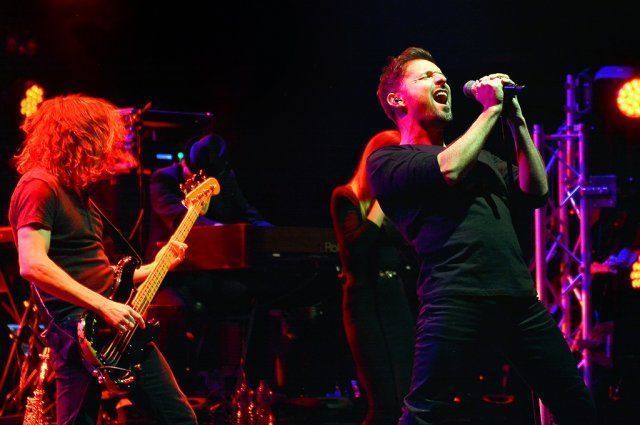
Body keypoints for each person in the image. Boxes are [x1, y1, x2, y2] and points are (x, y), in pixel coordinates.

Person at [366, 47, 596, 424]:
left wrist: (516, 120)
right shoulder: (389, 160)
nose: (442, 79)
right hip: (454, 296)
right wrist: (490, 110)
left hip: (519, 300)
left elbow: (536, 191)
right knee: (426, 411)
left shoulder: (484, 160)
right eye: (426, 76)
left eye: (441, 74)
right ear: (397, 100)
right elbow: (449, 170)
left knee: (575, 403)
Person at [9, 95, 197, 424]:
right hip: (78, 326)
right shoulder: (39, 185)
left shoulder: (79, 194)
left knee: (176, 416)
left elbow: (95, 273)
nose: (107, 150)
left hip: (107, 323)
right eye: (101, 139)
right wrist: (104, 305)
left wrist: (156, 267)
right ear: (78, 138)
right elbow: (32, 264)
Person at [330, 130, 415, 424]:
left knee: (405, 398)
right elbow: (357, 250)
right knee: (383, 403)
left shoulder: (397, 204)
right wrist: (381, 201)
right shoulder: (346, 197)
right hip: (364, 301)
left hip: (395, 298)